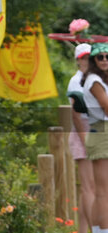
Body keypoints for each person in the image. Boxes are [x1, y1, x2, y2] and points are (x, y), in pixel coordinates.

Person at [67, 43, 95, 233]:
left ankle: (85, 229)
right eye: (84, 57)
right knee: (89, 188)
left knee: (94, 188)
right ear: (78, 60)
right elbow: (76, 115)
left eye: (90, 57)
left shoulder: (95, 79)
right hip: (83, 132)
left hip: (95, 130)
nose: (88, 61)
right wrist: (87, 140)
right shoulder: (76, 81)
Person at [82, 43, 108, 233]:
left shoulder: (99, 79)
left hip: (100, 131)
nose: (105, 60)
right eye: (100, 57)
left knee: (102, 191)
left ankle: (99, 230)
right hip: (101, 132)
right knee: (103, 192)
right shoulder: (94, 80)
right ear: (93, 60)